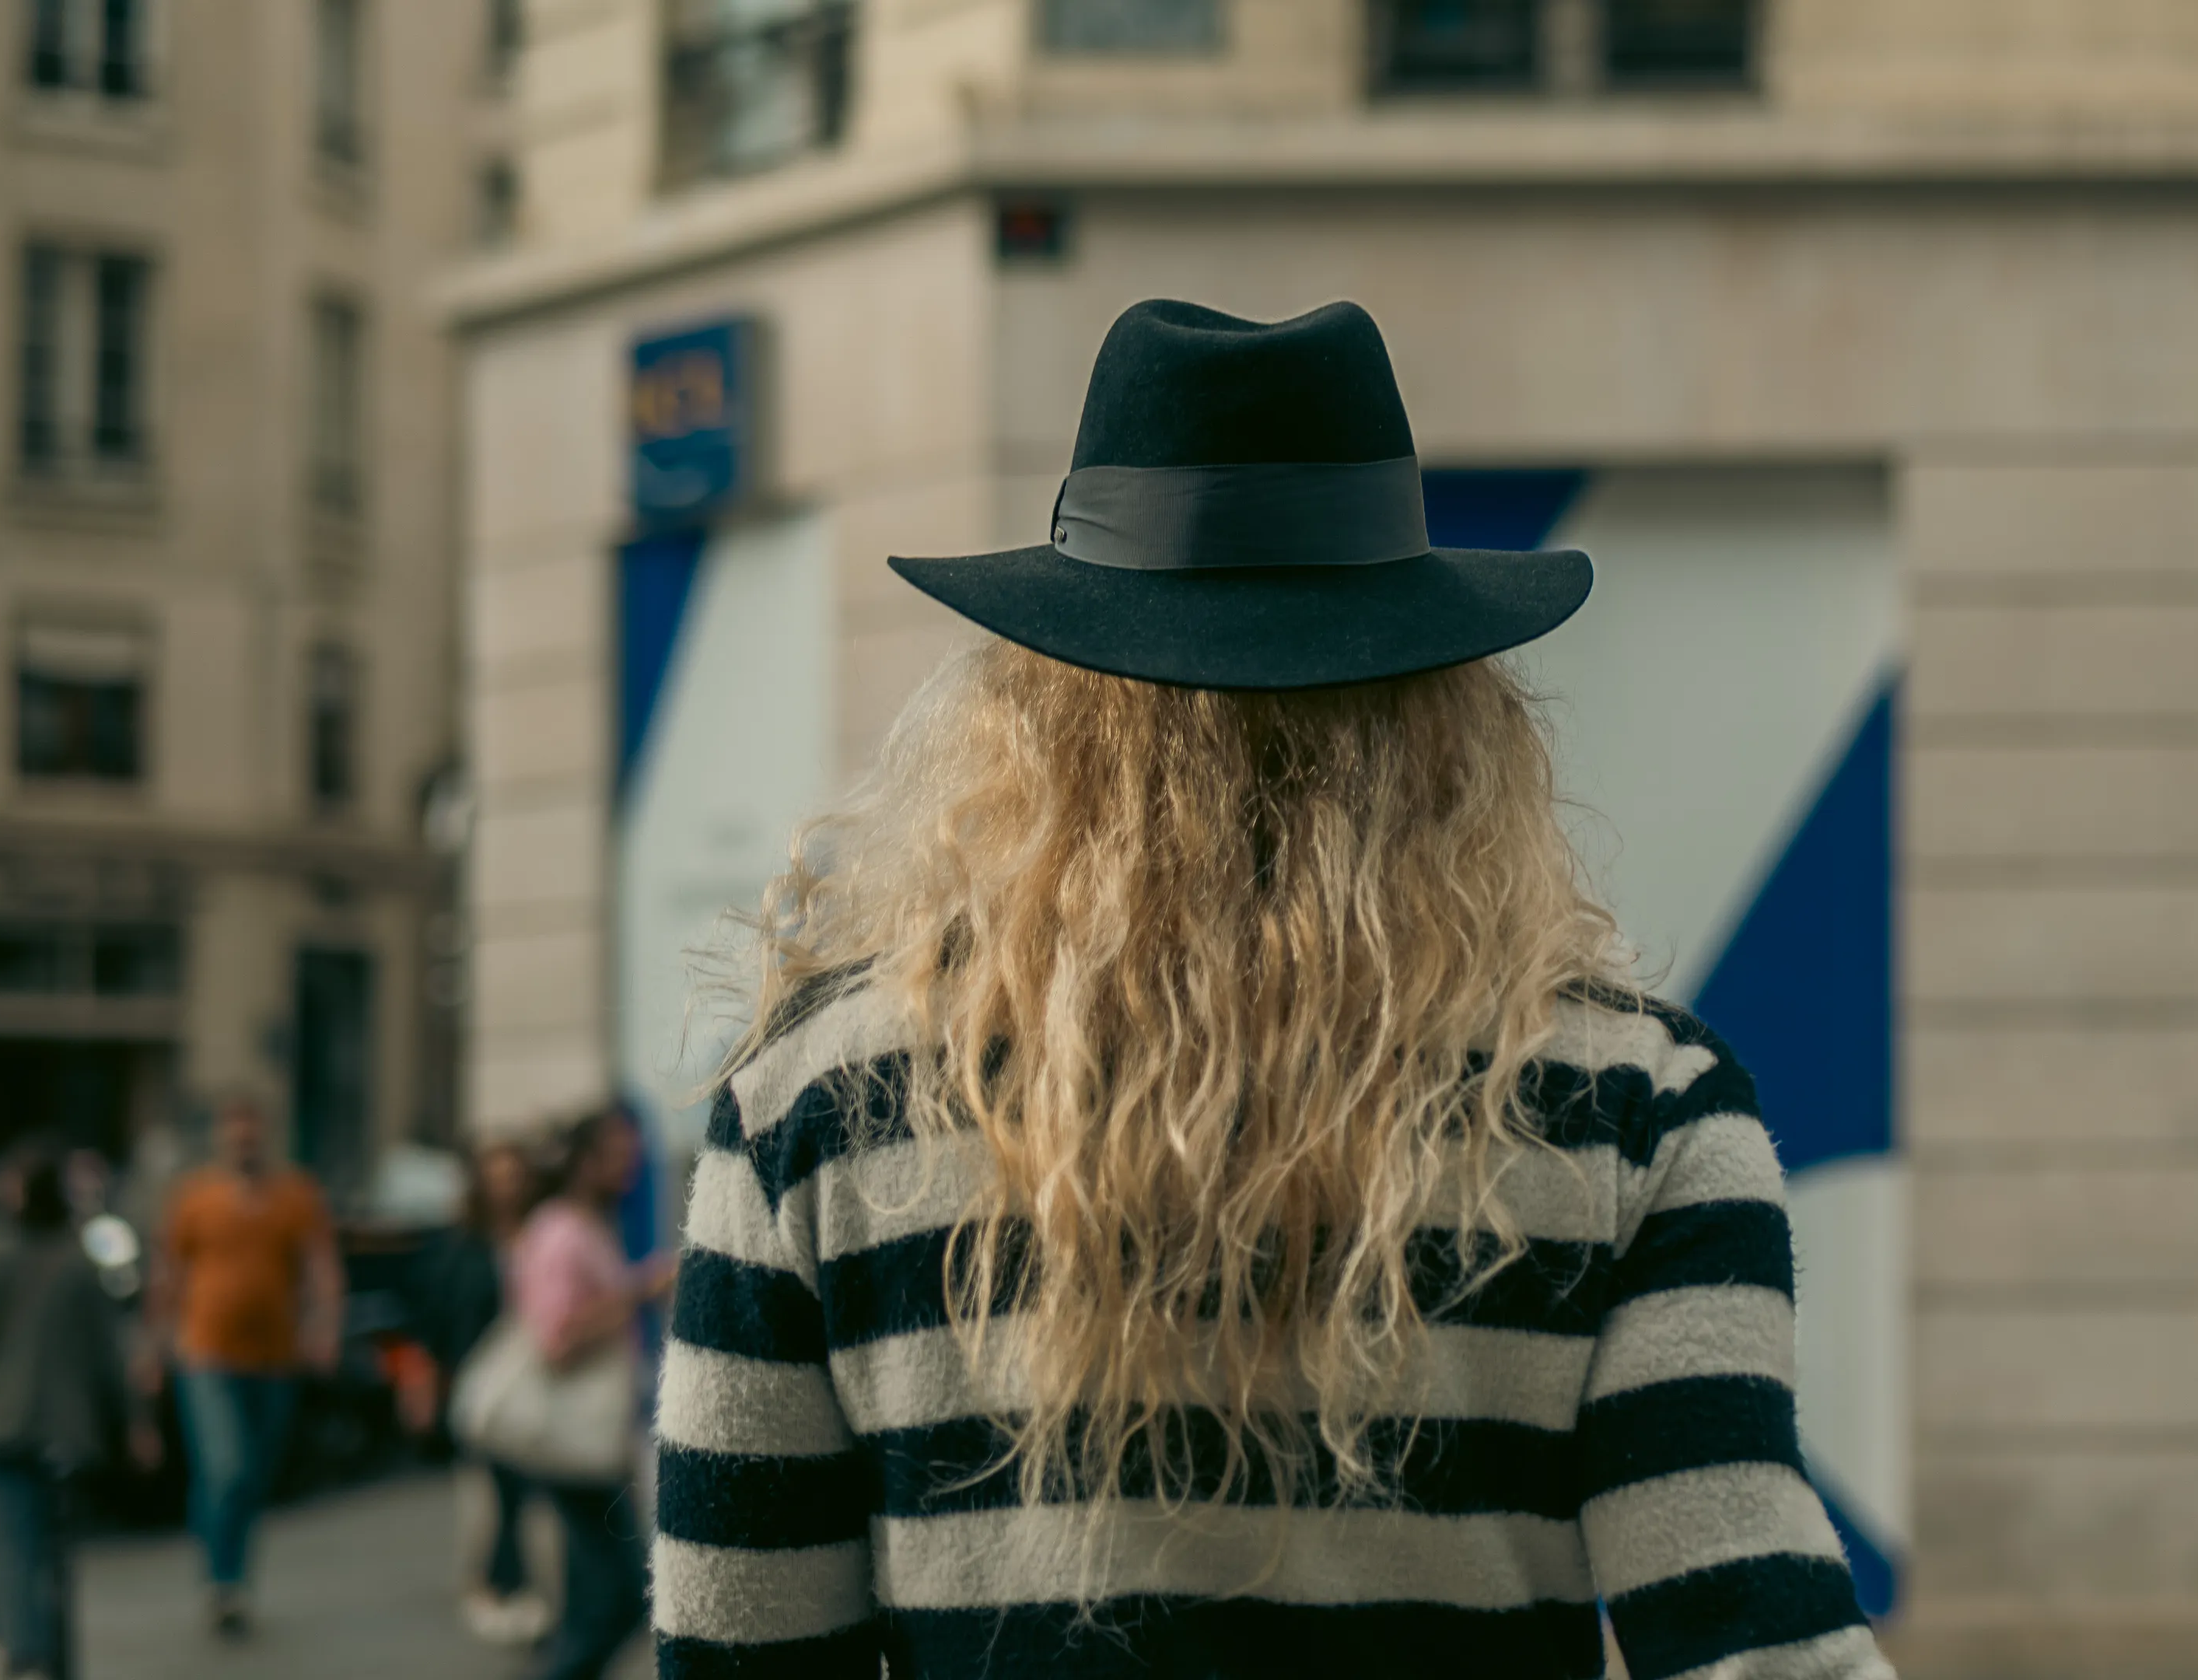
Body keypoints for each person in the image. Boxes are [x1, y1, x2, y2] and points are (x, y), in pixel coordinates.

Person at [648, 299, 1894, 1678]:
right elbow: (1751, 1648)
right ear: (1450, 712)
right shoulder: (1635, 1117)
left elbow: (736, 1655)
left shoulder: (817, 1110)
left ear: (1035, 705)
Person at [0, 1140, 156, 1680]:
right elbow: (109, 1351)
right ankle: (53, 1657)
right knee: (55, 1556)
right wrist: (135, 1422)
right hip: (64, 1430)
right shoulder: (78, 1262)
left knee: (6, 1544)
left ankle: (19, 1647)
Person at [145, 1094, 342, 1638]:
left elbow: (321, 1266)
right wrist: (152, 1348)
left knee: (252, 1475)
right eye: (234, 1130)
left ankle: (235, 1573)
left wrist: (325, 1326)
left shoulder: (296, 1195)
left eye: (251, 1130)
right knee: (225, 1467)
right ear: (220, 1137)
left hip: (276, 1359)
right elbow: (168, 1275)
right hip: (206, 1354)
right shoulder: (194, 1197)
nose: (243, 1140)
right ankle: (220, 1580)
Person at [510, 1108, 673, 1680]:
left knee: (594, 1600)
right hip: (572, 1442)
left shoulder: (584, 1225)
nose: (629, 1168)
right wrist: (640, 1291)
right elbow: (557, 1339)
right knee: (620, 1595)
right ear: (586, 1163)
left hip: (589, 1439)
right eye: (618, 1156)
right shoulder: (562, 1232)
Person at [416, 1139, 549, 1644]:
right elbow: (438, 1321)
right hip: (481, 1386)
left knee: (528, 1493)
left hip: (536, 1383)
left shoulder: (543, 1236)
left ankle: (521, 1586)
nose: (506, 1188)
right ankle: (490, 1584)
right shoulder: (463, 1248)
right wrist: (427, 1385)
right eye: (497, 1178)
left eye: (513, 1176)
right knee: (487, 1493)